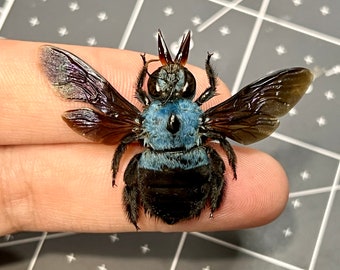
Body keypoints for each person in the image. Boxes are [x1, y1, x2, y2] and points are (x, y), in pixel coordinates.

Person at [0, 39, 288, 235]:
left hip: (152, 173)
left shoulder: (138, 117)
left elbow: (132, 107)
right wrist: (209, 70)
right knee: (216, 158)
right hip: (194, 171)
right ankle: (212, 206)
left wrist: (143, 71)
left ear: (152, 89)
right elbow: (215, 96)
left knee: (133, 161)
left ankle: (136, 210)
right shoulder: (208, 116)